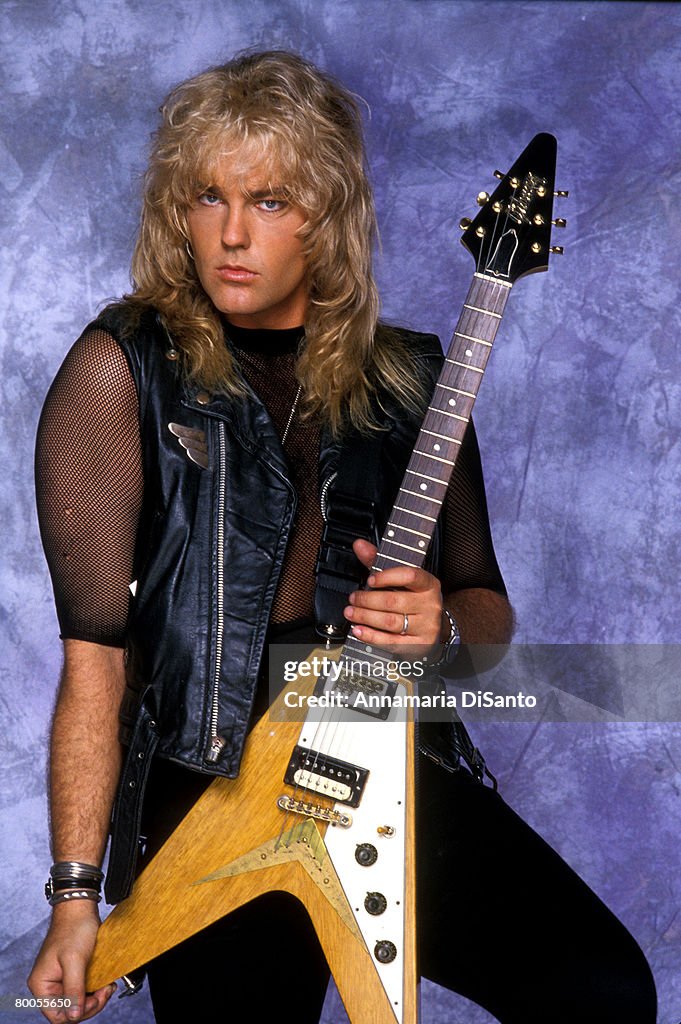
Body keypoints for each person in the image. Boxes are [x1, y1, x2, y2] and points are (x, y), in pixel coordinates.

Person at [29, 50, 656, 1024]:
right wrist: (76, 897)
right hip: (214, 779)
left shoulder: (412, 376)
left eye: (271, 200)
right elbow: (95, 669)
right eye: (207, 196)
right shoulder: (121, 372)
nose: (232, 235)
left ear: (326, 218)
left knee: (605, 990)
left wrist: (441, 628)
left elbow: (484, 604)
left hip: (388, 756)